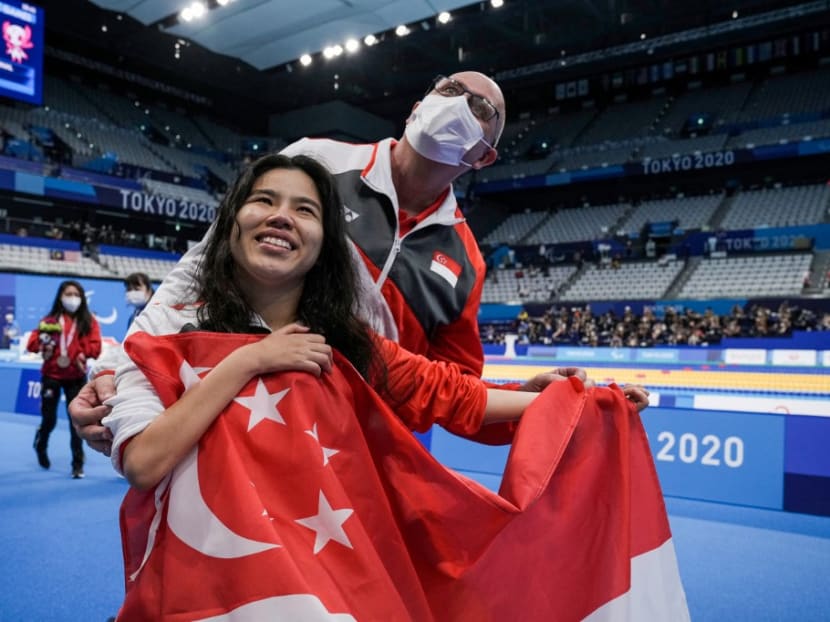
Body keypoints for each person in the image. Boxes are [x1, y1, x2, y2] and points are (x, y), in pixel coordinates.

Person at [103, 154, 649, 619]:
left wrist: (565, 400)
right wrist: (250, 361)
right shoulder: (164, 332)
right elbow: (143, 462)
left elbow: (445, 391)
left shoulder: (349, 344)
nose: (282, 218)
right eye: (263, 201)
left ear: (324, 244)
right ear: (231, 222)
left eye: (305, 209)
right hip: (200, 593)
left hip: (322, 592)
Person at [71, 71, 587, 452]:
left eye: (482, 108)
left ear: (483, 156)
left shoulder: (466, 259)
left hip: (362, 457)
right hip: (253, 413)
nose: (458, 104)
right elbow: (198, 267)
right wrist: (116, 369)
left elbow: (450, 389)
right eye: (450, 90)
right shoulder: (316, 160)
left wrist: (523, 397)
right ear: (416, 107)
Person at [27, 280, 101, 478]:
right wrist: (44, 348)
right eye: (68, 294)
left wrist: (84, 354)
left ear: (82, 298)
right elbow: (32, 344)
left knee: (76, 422)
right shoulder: (50, 321)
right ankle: (41, 443)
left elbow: (96, 347)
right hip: (51, 375)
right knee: (49, 419)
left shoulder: (89, 321)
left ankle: (77, 464)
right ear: (60, 297)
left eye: (76, 294)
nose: (72, 298)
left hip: (76, 377)